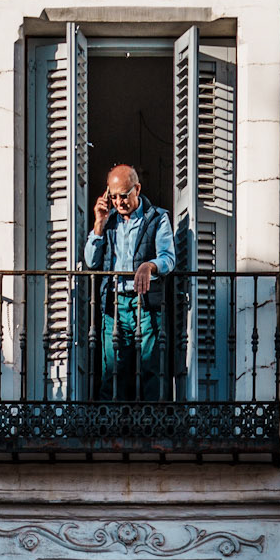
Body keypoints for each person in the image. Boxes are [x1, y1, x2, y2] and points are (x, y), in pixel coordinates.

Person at [82, 163, 177, 402]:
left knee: (152, 367)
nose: (119, 202)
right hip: (114, 304)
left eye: (124, 195)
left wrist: (149, 266)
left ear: (137, 189)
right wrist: (98, 225)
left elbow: (168, 258)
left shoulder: (157, 217)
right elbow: (91, 261)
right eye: (113, 196)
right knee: (113, 369)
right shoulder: (109, 220)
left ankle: (153, 420)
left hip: (147, 303)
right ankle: (112, 420)